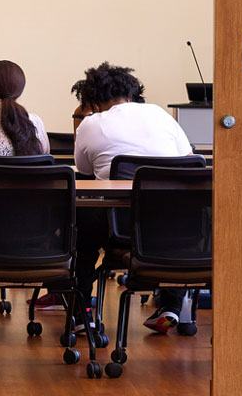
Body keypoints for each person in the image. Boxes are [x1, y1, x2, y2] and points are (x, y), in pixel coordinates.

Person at [69, 61, 193, 333]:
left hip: (120, 226)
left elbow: (85, 170)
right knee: (169, 224)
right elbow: (189, 161)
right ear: (132, 92)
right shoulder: (161, 115)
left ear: (94, 99)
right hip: (173, 226)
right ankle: (172, 306)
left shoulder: (92, 122)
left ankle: (81, 314)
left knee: (81, 232)